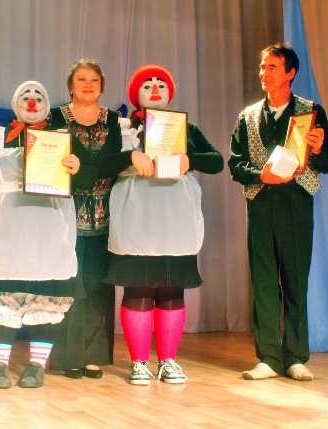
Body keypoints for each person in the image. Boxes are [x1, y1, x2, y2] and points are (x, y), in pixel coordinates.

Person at [106, 65, 223, 385]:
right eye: (147, 85)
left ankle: (168, 360)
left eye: (161, 84)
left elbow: (216, 161)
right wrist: (129, 158)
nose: (155, 88)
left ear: (171, 93)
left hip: (174, 222)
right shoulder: (123, 130)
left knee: (172, 290)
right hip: (137, 219)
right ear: (135, 95)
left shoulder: (186, 129)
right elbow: (101, 164)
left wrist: (190, 159)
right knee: (137, 288)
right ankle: (139, 363)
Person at [228, 43, 328, 381]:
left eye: (272, 67)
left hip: (296, 203)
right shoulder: (247, 116)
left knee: (295, 279)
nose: (264, 73)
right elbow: (235, 165)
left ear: (290, 73)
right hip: (261, 203)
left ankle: (295, 357)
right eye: (263, 67)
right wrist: (260, 175)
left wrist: (319, 148)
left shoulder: (310, 112)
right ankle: (269, 358)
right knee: (263, 281)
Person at [0, 81, 80, 388]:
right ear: (16, 105)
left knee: (45, 296)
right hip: (5, 228)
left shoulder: (62, 140)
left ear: (47, 104)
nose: (32, 101)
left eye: (38, 96)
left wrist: (76, 165)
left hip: (46, 228)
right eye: (25, 96)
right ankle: (0, 366)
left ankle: (36, 366)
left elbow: (83, 178)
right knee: (1, 297)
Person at [48, 59, 123, 379]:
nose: (88, 84)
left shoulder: (114, 120)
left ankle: (94, 356)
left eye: (94, 79)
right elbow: (53, 161)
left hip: (106, 215)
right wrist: (91, 169)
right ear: (70, 85)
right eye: (81, 79)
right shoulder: (55, 118)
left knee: (98, 286)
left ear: (102, 85)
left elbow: (115, 163)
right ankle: (69, 357)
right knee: (69, 285)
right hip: (66, 213)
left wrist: (86, 168)